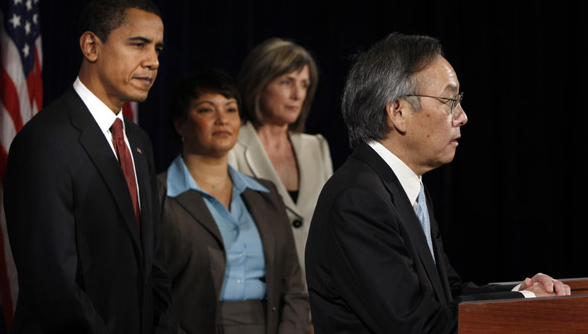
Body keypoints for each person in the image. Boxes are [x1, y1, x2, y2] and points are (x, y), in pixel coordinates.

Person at [305, 33, 571, 334]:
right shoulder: (358, 199)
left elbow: (447, 294)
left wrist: (522, 295)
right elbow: (417, 325)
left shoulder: (400, 186)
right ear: (398, 112)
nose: (463, 116)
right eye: (449, 101)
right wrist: (525, 302)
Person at [3, 0, 176, 333]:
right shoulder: (46, 142)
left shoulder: (138, 141)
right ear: (91, 47)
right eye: (138, 45)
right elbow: (53, 286)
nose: (153, 61)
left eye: (157, 49)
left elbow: (152, 266)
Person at [158, 69, 309, 334]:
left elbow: (293, 288)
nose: (222, 120)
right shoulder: (157, 194)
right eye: (207, 110)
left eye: (230, 109)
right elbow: (150, 295)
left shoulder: (266, 194)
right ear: (180, 123)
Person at [228, 38, 333, 279]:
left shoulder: (316, 146)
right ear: (259, 84)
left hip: (316, 296)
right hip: (259, 295)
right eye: (287, 82)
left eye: (304, 85)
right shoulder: (231, 146)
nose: (298, 95)